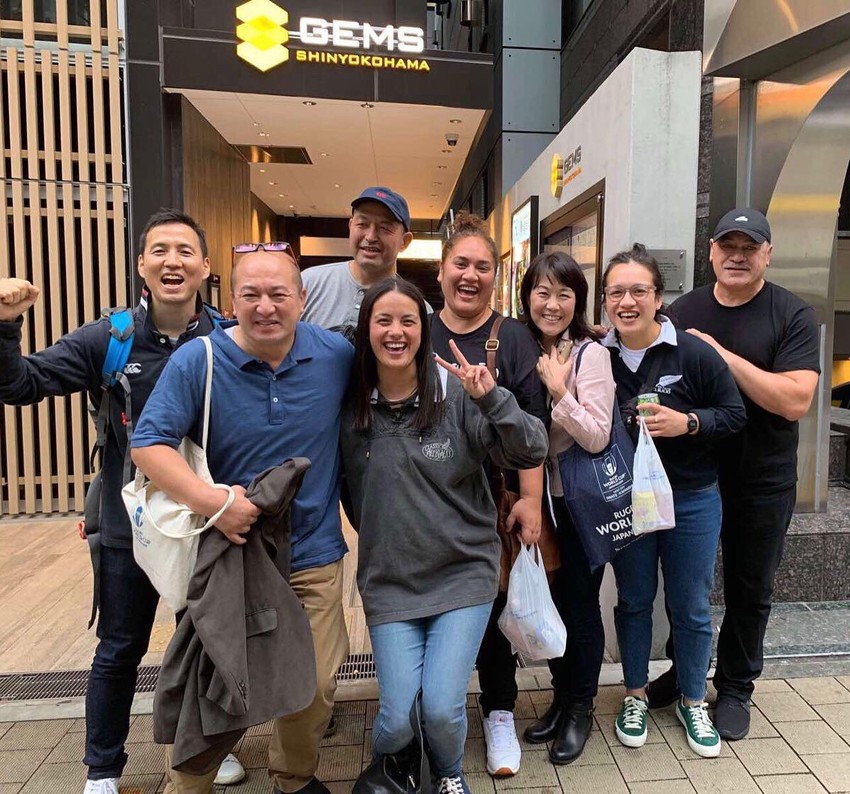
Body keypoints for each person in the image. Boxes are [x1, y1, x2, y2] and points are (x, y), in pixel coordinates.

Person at [0, 209, 247, 794]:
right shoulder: (109, 339)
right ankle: (102, 769)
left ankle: (203, 751)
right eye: (159, 250)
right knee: (119, 649)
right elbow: (19, 384)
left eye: (186, 251)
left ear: (206, 266)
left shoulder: (229, 338)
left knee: (203, 643)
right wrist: (6, 324)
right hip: (127, 524)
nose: (173, 261)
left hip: (203, 521)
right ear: (141, 265)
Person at [130, 243, 354, 794]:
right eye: (251, 294)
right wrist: (218, 504)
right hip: (229, 554)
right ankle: (189, 784)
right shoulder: (198, 359)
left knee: (319, 680)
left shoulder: (335, 356)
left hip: (313, 551)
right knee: (215, 683)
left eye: (279, 293)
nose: (266, 305)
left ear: (302, 299)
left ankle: (293, 776)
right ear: (231, 299)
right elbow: (148, 445)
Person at [340, 277, 548, 794]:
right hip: (391, 582)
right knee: (393, 719)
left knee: (440, 707)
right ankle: (399, 765)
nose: (395, 332)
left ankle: (450, 773)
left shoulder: (456, 395)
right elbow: (350, 491)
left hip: (462, 575)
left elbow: (532, 448)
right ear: (366, 330)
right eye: (383, 320)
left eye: (408, 321)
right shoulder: (350, 408)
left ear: (423, 330)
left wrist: (493, 399)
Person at [657, 209, 819, 739]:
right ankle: (686, 675)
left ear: (767, 254)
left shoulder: (791, 314)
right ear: (710, 250)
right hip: (692, 476)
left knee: (750, 587)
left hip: (762, 478)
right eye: (728, 245)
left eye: (750, 247)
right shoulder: (684, 309)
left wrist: (720, 355)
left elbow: (794, 400)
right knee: (687, 584)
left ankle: (735, 687)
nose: (738, 255)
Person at [601, 244, 746, 758]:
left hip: (692, 499)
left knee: (690, 606)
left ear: (658, 297)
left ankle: (692, 699)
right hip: (629, 502)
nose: (627, 301)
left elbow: (734, 415)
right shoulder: (599, 356)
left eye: (638, 290)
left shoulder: (693, 352)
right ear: (605, 300)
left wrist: (688, 423)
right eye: (616, 291)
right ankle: (635, 694)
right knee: (635, 601)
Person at [429, 211, 548, 777]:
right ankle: (432, 714)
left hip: (493, 499)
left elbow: (533, 423)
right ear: (441, 270)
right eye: (461, 264)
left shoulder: (515, 337)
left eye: (482, 266)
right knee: (431, 608)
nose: (470, 276)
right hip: (426, 501)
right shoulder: (417, 328)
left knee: (495, 609)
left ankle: (499, 710)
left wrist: (530, 500)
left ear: (495, 276)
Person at [517, 252, 615, 765]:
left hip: (577, 503)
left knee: (580, 604)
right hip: (532, 501)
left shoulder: (590, 354)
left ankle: (580, 707)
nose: (552, 304)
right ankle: (560, 696)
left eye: (564, 294)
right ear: (527, 293)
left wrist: (559, 392)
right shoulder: (517, 344)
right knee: (549, 602)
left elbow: (598, 436)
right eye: (542, 292)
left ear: (578, 300)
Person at [301, 186, 414, 335]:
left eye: (384, 228)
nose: (370, 236)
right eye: (362, 224)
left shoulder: (416, 309)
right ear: (350, 227)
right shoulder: (308, 284)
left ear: (404, 241)